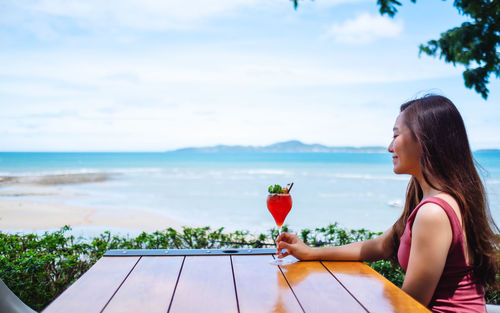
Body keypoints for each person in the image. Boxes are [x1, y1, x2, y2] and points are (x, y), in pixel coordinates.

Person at [276, 95, 499, 313]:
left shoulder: (434, 213)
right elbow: (381, 246)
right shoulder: (435, 201)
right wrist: (311, 253)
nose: (390, 147)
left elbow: (410, 305)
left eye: (396, 135)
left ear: (424, 139)